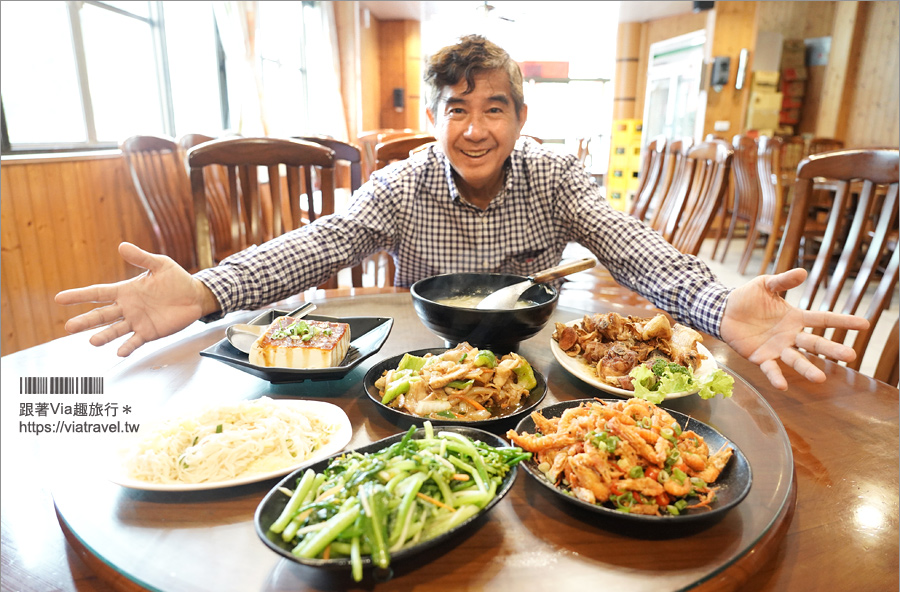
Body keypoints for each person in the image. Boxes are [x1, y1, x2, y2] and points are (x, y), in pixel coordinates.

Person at [55, 34, 867, 391]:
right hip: (420, 367)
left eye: (493, 109)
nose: (473, 128)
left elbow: (636, 252)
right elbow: (323, 241)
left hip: (545, 373)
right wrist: (203, 291)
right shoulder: (405, 182)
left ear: (519, 116)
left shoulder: (556, 176)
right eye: (455, 109)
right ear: (438, 117)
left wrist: (724, 302)